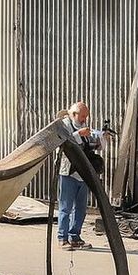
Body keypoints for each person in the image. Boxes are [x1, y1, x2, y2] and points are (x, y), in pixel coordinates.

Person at [57, 100, 103, 250]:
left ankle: (74, 236)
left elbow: (91, 146)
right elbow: (63, 143)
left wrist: (101, 139)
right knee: (65, 208)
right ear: (74, 114)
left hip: (82, 173)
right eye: (83, 116)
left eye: (86, 116)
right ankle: (62, 238)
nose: (85, 119)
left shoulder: (84, 127)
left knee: (81, 209)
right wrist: (78, 134)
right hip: (68, 173)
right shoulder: (64, 125)